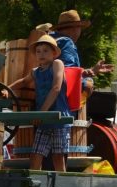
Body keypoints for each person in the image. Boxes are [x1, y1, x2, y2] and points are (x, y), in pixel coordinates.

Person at [9, 34, 72, 172]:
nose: (41, 54)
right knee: (36, 155)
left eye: (45, 50)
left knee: (58, 157)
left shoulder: (57, 64)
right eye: (38, 51)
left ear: (54, 53)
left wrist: (42, 112)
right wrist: (8, 89)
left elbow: (56, 88)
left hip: (59, 119)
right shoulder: (35, 72)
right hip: (43, 121)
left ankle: (62, 183)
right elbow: (24, 81)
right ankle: (34, 181)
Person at [48, 10, 114, 99]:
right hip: (61, 99)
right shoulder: (67, 43)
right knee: (88, 83)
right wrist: (87, 79)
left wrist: (91, 70)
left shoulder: (48, 42)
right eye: (80, 28)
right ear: (74, 29)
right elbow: (70, 73)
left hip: (43, 95)